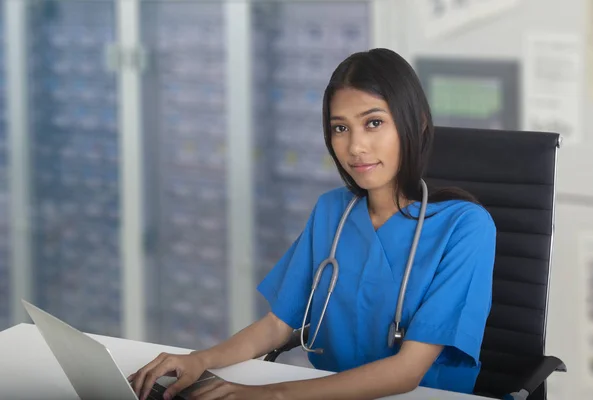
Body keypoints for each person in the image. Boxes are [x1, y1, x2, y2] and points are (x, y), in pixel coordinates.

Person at [128, 48, 497, 400]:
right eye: (340, 128)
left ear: (415, 124)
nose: (355, 146)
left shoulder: (465, 228)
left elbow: (407, 371)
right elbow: (278, 324)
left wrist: (270, 394)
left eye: (373, 123)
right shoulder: (332, 212)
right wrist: (200, 360)